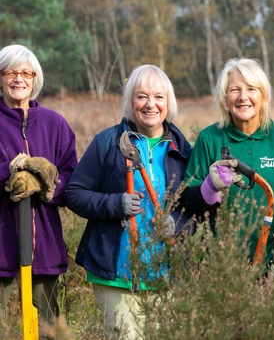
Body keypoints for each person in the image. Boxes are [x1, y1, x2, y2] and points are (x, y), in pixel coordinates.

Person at [65, 64, 192, 339]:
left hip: (166, 276)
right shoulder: (108, 142)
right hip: (116, 275)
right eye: (141, 96)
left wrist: (178, 224)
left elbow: (194, 208)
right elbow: (74, 193)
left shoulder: (183, 150)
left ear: (168, 102)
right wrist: (115, 204)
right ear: (129, 101)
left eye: (159, 96)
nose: (151, 104)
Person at [181, 57, 274, 265]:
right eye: (235, 90)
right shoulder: (209, 138)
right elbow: (186, 200)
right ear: (224, 98)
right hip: (222, 264)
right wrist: (209, 187)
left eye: (252, 89)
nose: (243, 97)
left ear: (263, 96)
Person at [0, 44, 77, 336]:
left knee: (47, 331)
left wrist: (47, 188)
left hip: (44, 252)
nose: (18, 79)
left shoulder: (55, 124)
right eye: (10, 72)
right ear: (0, 77)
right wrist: (7, 171)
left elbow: (72, 177)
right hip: (2, 254)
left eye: (26, 73)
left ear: (35, 78)